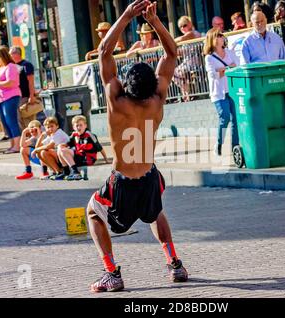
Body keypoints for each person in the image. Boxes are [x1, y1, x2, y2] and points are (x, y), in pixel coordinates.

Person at [87, 0, 188, 293]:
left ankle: (111, 273)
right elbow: (172, 52)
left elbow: (105, 51)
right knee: (154, 212)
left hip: (122, 182)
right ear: (150, 85)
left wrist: (127, 15)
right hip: (149, 176)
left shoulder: (116, 103)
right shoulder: (157, 101)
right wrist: (154, 21)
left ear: (127, 84)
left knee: (93, 213)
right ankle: (175, 265)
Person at [204, 27, 240, 157]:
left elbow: (237, 66)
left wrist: (223, 69)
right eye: (218, 35)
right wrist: (227, 68)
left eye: (221, 34)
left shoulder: (229, 52)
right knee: (224, 117)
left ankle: (235, 147)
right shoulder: (209, 58)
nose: (221, 37)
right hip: (218, 93)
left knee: (236, 119)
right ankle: (219, 143)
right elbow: (213, 75)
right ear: (212, 39)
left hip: (231, 90)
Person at [0, 46, 22, 154]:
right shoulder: (2, 68)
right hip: (1, 98)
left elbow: (11, 82)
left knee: (11, 120)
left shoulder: (11, 66)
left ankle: (17, 145)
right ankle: (12, 145)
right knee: (5, 121)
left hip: (11, 96)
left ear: (2, 56)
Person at [57, 115, 109, 181]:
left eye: (81, 125)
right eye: (77, 125)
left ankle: (76, 172)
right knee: (60, 148)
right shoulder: (74, 135)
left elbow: (100, 148)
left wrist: (106, 160)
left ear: (85, 126)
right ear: (73, 127)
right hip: (79, 157)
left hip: (88, 158)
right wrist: (60, 145)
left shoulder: (89, 135)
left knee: (63, 151)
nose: (79, 127)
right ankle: (66, 172)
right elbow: (67, 144)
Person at [9, 46, 39, 131]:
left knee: (28, 119)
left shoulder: (26, 65)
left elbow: (31, 81)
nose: (9, 55)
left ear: (16, 54)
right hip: (16, 96)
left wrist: (32, 96)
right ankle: (24, 138)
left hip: (25, 97)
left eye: (10, 53)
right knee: (19, 119)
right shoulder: (12, 66)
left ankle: (32, 139)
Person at [173, 16, 202, 102]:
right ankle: (187, 95)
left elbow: (181, 39)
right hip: (188, 62)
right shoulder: (188, 35)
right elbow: (182, 51)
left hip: (194, 62)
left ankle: (186, 94)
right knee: (178, 75)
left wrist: (169, 41)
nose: (182, 28)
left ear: (190, 24)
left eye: (184, 25)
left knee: (174, 72)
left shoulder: (193, 33)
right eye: (180, 26)